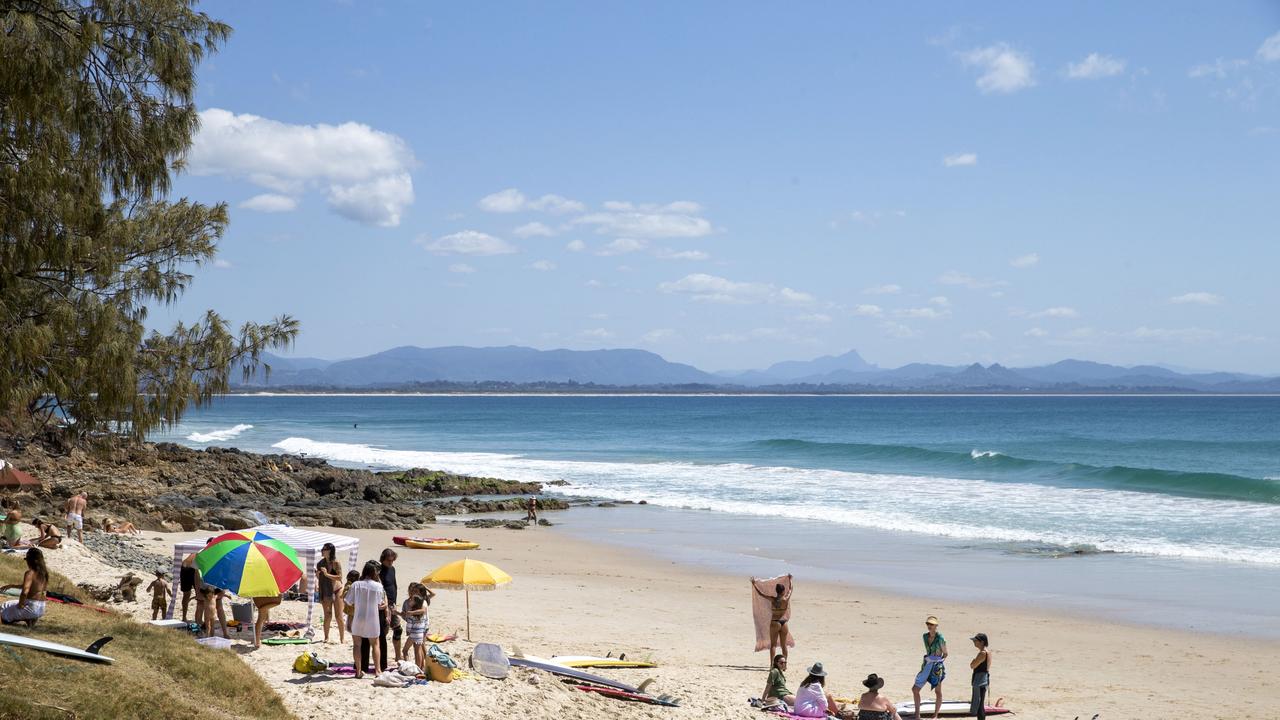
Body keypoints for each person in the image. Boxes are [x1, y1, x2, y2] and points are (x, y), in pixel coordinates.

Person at [347, 560, 388, 679]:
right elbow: (381, 603)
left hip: (358, 616)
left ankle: (358, 671)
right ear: (374, 572)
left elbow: (349, 602)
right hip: (372, 617)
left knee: (357, 645)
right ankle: (378, 671)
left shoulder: (356, 584)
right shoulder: (378, 586)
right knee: (375, 644)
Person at [911, 616, 948, 720]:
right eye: (928, 624)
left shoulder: (940, 638)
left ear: (936, 626)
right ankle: (917, 715)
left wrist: (939, 663)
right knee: (915, 689)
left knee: (938, 691)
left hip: (937, 665)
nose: (929, 626)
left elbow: (945, 654)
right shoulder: (925, 636)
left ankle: (935, 715)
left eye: (931, 624)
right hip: (927, 664)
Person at [0, 548, 49, 626]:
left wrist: (21, 604)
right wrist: (12, 586)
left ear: (30, 561)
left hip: (31, 606)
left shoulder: (30, 573)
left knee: (3, 607)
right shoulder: (44, 573)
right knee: (10, 604)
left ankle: (6, 622)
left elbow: (25, 592)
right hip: (41, 608)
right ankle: (30, 619)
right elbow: (34, 588)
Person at [752, 575, 793, 659]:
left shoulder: (772, 599)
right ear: (783, 591)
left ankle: (771, 665)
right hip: (784, 622)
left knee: (773, 645)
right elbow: (791, 589)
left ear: (776, 591)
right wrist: (790, 579)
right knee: (783, 645)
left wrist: (754, 584)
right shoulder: (786, 599)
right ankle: (784, 665)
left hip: (775, 622)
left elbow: (761, 594)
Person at [316, 542, 344, 643]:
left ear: (330, 551)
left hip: (337, 590)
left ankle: (342, 638)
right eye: (322, 549)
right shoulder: (320, 563)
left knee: (338, 616)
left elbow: (340, 577)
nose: (322, 551)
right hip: (326, 590)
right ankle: (326, 637)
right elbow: (319, 577)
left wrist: (327, 574)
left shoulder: (336, 562)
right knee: (327, 615)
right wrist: (319, 574)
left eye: (324, 549)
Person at [379, 548, 401, 664]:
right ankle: (381, 658)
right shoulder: (378, 571)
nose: (391, 563)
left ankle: (398, 656)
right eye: (389, 560)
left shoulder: (392, 569)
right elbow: (380, 590)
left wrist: (395, 603)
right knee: (383, 632)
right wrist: (386, 606)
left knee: (398, 630)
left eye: (392, 560)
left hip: (393, 605)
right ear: (383, 559)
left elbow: (394, 585)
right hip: (384, 606)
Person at [969, 633, 992, 720]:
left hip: (979, 679)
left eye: (975, 641)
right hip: (985, 678)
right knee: (981, 703)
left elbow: (973, 665)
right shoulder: (988, 652)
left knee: (978, 704)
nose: (974, 642)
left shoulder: (982, 653)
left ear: (981, 642)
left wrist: (973, 661)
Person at [402, 594, 428, 668]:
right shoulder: (422, 614)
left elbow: (409, 625)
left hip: (413, 634)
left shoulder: (411, 613)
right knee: (418, 651)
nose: (410, 600)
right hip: (420, 634)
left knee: (405, 650)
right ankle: (419, 667)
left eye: (412, 600)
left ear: (415, 603)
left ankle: (407, 666)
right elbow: (425, 622)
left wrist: (408, 631)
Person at [180, 551, 202, 622]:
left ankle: (184, 617)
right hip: (192, 569)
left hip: (184, 566)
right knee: (200, 595)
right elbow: (197, 570)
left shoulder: (196, 551)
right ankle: (199, 619)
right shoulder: (204, 551)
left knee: (186, 595)